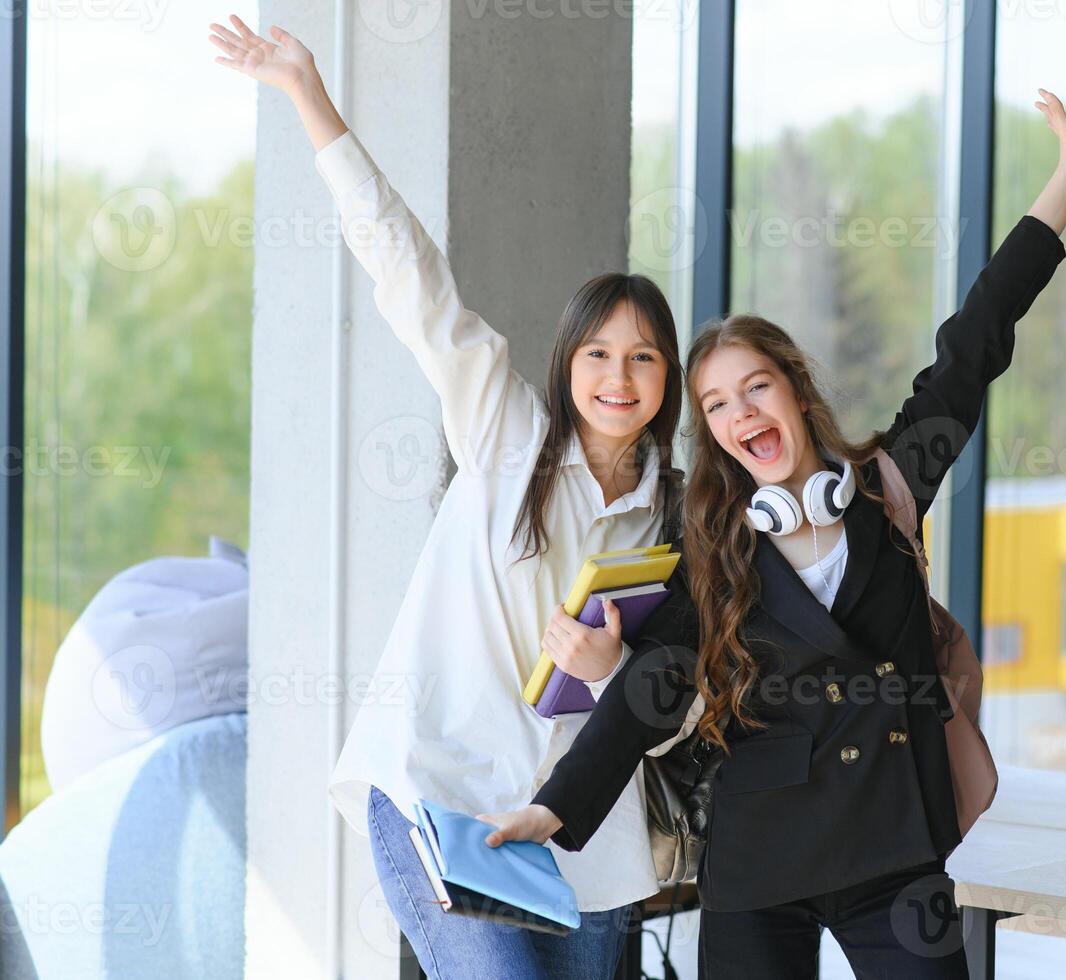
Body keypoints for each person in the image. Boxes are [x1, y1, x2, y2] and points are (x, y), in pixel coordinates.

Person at [484, 91, 1066, 978]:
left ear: (795, 391)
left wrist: (1065, 182)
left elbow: (974, 345)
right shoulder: (716, 543)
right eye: (717, 406)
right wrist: (555, 807)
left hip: (895, 846)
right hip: (759, 852)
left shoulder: (888, 487)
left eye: (755, 388)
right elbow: (658, 680)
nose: (741, 415)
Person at [208, 15, 684, 978]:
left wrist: (607, 671)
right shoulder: (506, 430)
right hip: (441, 790)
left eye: (641, 357)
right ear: (566, 364)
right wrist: (310, 96)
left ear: (668, 376)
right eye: (598, 353)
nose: (618, 377)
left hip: (587, 836)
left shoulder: (676, 514)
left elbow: (683, 700)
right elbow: (408, 276)